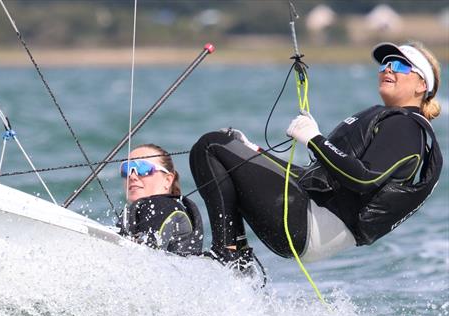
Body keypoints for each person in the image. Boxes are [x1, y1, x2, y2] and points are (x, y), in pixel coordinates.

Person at [188, 41, 443, 269]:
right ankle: (236, 258)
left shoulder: (406, 126)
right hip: (308, 225)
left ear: (422, 85)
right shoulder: (395, 122)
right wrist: (254, 150)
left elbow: (363, 179)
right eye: (385, 64)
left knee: (211, 146)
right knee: (227, 148)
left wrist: (314, 139)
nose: (388, 69)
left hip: (309, 224)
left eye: (400, 65)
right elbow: (313, 178)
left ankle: (228, 256)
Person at [117, 143, 204, 256]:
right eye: (126, 169)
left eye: (143, 168)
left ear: (167, 180)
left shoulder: (160, 205)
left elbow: (144, 258)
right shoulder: (139, 211)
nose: (132, 176)